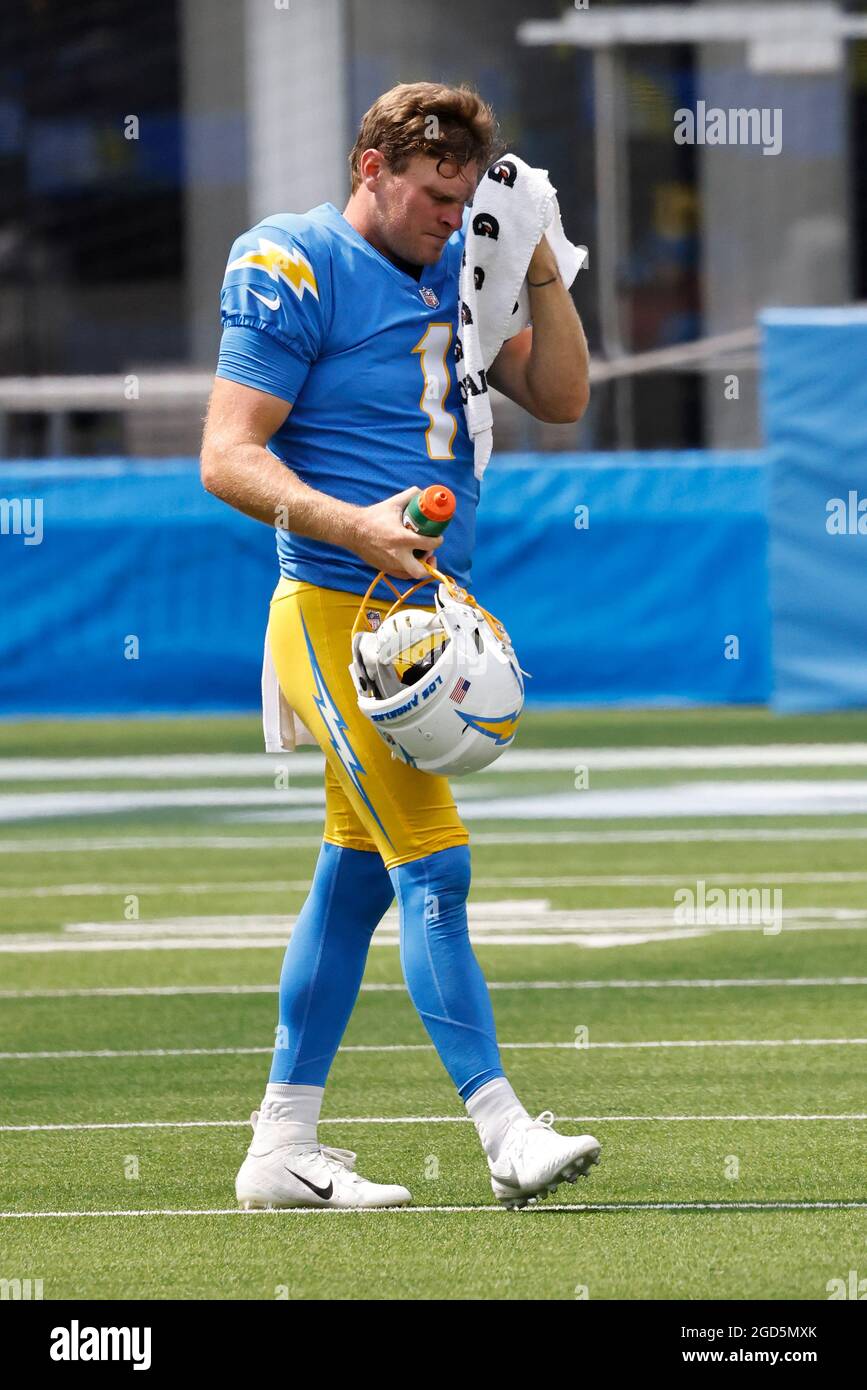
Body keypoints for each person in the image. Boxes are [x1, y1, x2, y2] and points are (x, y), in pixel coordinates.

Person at [200, 81, 597, 1209]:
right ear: (371, 165)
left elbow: (562, 395)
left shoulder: (457, 263)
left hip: (424, 606)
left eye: (465, 197)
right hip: (336, 602)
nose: (447, 215)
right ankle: (504, 1130)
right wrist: (354, 523)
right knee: (436, 862)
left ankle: (280, 1145)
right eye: (433, 193)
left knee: (357, 875)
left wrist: (537, 261)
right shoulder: (294, 258)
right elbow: (228, 456)